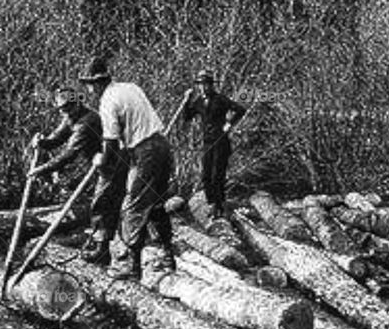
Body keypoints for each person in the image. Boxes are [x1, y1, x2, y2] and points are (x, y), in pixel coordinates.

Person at [79, 57, 176, 280]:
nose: (89, 90)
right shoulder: (130, 87)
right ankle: (168, 258)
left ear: (97, 84)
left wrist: (101, 160)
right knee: (156, 204)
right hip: (162, 146)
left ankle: (131, 267)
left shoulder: (107, 101)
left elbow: (111, 142)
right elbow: (130, 128)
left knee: (132, 206)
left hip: (145, 152)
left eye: (90, 85)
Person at [27, 88, 126, 265]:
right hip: (101, 164)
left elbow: (69, 154)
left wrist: (41, 170)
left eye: (68, 108)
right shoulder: (71, 118)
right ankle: (107, 240)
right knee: (109, 201)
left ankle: (102, 251)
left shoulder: (87, 122)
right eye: (62, 109)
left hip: (114, 163)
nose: (65, 112)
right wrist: (43, 142)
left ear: (77, 104)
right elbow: (57, 138)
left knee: (101, 204)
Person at [179, 70, 247, 219]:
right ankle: (211, 203)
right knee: (205, 176)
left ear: (210, 85)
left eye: (205, 84)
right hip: (207, 142)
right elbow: (187, 117)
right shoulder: (198, 101)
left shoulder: (220, 99)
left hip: (221, 141)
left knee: (218, 175)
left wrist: (230, 123)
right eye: (200, 85)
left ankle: (219, 205)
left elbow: (241, 109)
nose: (203, 88)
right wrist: (186, 101)